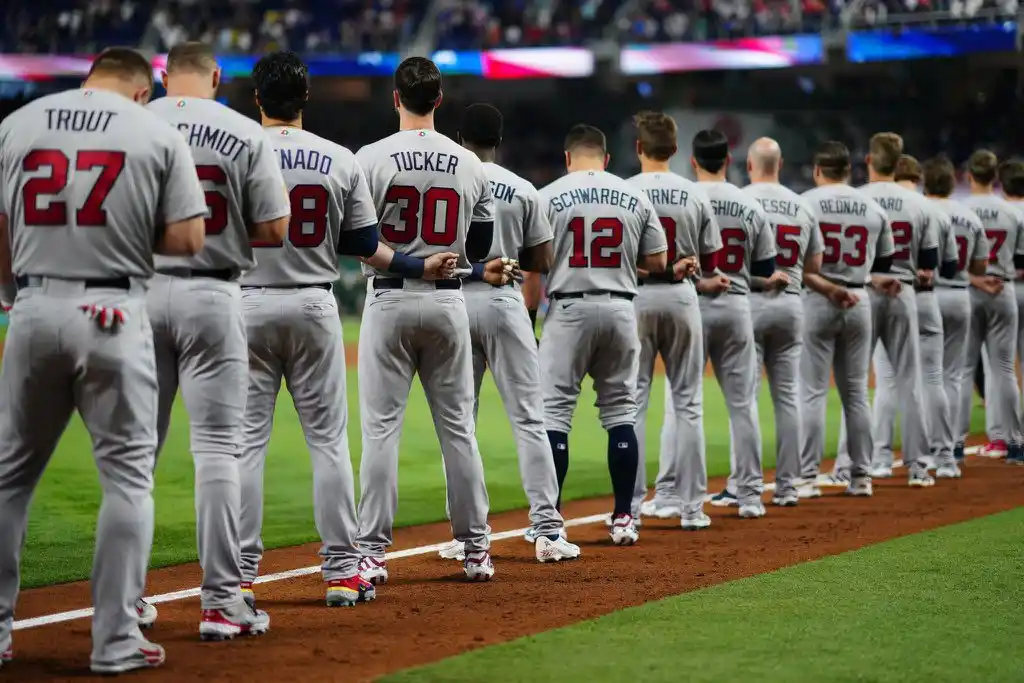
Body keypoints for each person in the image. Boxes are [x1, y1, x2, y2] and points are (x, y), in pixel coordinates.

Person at [0, 47, 207, 673]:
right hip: (112, 310)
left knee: (9, 479)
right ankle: (115, 640)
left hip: (33, 308)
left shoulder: (19, 122)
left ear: (88, 77)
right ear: (144, 91)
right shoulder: (153, 129)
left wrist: (15, 299)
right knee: (126, 479)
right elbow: (190, 238)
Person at [237, 52, 460, 608]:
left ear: (257, 99)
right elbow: (364, 246)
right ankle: (340, 571)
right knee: (329, 443)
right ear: (306, 99)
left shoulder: (234, 154)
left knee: (243, 447)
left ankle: (238, 573)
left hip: (244, 305)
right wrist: (418, 266)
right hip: (313, 304)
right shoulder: (337, 158)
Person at [146, 41, 291, 639]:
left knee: (133, 458)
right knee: (217, 451)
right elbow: (276, 230)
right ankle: (220, 602)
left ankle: (125, 599)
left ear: (160, 76)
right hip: (213, 293)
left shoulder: (134, 124)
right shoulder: (241, 130)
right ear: (216, 76)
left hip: (140, 292)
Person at [354, 57, 500, 583]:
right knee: (458, 431)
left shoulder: (369, 158)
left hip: (389, 298)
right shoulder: (470, 163)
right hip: (447, 300)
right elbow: (478, 247)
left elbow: (361, 243)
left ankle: (370, 554)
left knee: (380, 433)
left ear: (395, 98)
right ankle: (477, 549)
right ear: (439, 101)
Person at [434, 103, 580, 563]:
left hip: (454, 299)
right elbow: (543, 261)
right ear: (499, 140)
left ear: (460, 137)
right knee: (530, 419)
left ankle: (464, 536)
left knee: (460, 423)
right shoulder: (521, 187)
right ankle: (548, 530)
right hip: (504, 301)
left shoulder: (448, 180)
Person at [538, 123, 667, 545]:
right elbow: (659, 260)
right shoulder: (634, 194)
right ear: (607, 158)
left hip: (569, 306)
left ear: (568, 157)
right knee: (620, 412)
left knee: (555, 414)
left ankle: (550, 519)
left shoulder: (549, 194)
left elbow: (535, 258)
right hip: (620, 307)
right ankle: (625, 517)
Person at [626, 111, 719, 529]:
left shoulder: (623, 191)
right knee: (689, 405)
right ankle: (692, 509)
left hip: (635, 300)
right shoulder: (694, 192)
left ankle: (628, 511)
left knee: (632, 405)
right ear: (676, 150)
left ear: (638, 148)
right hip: (682, 299)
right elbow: (711, 260)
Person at [832, 133, 938, 487]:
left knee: (855, 383)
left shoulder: (857, 200)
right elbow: (930, 265)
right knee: (909, 381)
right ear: (899, 161)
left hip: (861, 293)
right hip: (904, 292)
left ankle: (848, 465)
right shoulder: (919, 204)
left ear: (868, 161)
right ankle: (919, 467)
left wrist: (874, 278)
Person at [798, 140, 897, 499]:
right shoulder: (872, 208)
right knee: (856, 394)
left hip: (816, 298)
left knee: (811, 393)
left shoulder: (805, 202)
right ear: (850, 170)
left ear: (817, 170)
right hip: (859, 299)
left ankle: (807, 477)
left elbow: (796, 259)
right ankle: (861, 477)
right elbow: (882, 267)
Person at [691, 130, 779, 520]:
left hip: (690, 305)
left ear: (693, 161)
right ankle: (750, 496)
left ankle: (680, 497)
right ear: (729, 160)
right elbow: (765, 270)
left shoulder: (684, 198)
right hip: (738, 306)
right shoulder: (749, 204)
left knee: (684, 403)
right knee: (743, 405)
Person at [861, 154, 960, 477]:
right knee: (931, 379)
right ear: (915, 177)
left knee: (887, 382)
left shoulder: (867, 201)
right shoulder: (924, 206)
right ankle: (942, 459)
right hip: (921, 297)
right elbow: (944, 267)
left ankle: (880, 459)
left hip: (879, 294)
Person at [742, 137, 824, 506]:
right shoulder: (801, 204)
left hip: (750, 301)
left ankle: (746, 487)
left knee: (745, 399)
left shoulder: (740, 198)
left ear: (749, 164)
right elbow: (815, 267)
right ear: (781, 163)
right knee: (788, 398)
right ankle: (788, 486)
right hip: (791, 302)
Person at [959, 149, 1024, 462]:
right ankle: (1015, 443)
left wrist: (975, 278)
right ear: (995, 178)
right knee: (1004, 370)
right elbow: (1021, 259)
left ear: (969, 176)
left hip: (968, 292)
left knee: (963, 369)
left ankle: (953, 446)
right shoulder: (1009, 210)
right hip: (1004, 289)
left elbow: (952, 261)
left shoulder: (958, 210)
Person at [924, 156, 988, 467]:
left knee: (927, 376)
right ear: (952, 183)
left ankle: (928, 446)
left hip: (929, 295)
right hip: (961, 295)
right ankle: (954, 444)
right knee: (956, 374)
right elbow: (980, 265)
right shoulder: (969, 216)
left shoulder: (921, 210)